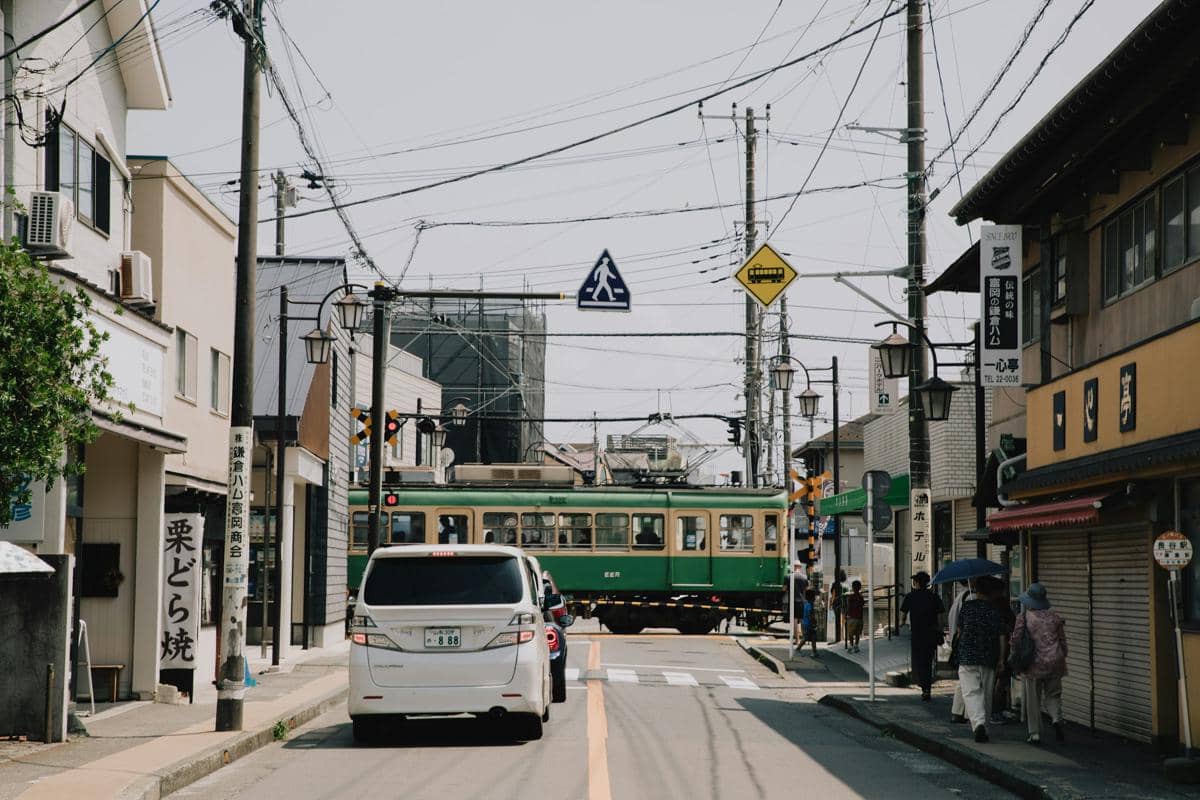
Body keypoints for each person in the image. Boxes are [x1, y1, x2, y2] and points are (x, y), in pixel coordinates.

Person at [1009, 583, 1068, 745]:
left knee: (1033, 699)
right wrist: (1063, 655)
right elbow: (1062, 641)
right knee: (1053, 695)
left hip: (1034, 663)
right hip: (1055, 661)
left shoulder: (1024, 617)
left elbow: (1016, 640)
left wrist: (1014, 655)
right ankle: (1056, 719)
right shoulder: (1054, 617)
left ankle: (1034, 733)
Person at [956, 576, 1007, 743]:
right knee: (986, 693)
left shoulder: (967, 607)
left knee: (970, 692)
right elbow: (1001, 635)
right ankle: (983, 725)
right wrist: (1001, 659)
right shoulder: (994, 610)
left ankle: (978, 724)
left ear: (976, 591)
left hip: (967, 655)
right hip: (988, 656)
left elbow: (960, 631)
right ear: (991, 592)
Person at [900, 571, 944, 701]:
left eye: (915, 581)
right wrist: (940, 629)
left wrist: (903, 623)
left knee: (919, 661)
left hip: (917, 634)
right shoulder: (934, 597)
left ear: (917, 582)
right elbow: (941, 615)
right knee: (928, 660)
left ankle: (925, 687)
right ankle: (927, 688)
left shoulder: (910, 597)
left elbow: (903, 614)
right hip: (931, 633)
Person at [948, 580, 973, 724]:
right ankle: (967, 714)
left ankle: (958, 711)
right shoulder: (969, 598)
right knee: (971, 682)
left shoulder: (960, 597)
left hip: (959, 643)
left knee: (964, 679)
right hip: (967, 644)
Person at [788, 563, 809, 645]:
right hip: (803, 601)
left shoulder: (789, 577)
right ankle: (804, 639)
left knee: (795, 620)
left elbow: (784, 588)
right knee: (803, 620)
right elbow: (807, 589)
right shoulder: (805, 577)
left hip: (794, 601)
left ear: (793, 567)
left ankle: (797, 640)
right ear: (800, 567)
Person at [845, 580, 865, 653]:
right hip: (859, 618)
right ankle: (856, 646)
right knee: (857, 633)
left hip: (852, 617)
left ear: (853, 588)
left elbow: (848, 607)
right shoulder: (861, 597)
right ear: (860, 588)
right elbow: (862, 605)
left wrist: (846, 614)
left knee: (850, 633)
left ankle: (851, 645)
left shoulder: (851, 597)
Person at [799, 589, 819, 656]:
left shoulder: (806, 604)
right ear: (812, 597)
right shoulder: (810, 605)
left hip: (805, 623)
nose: (815, 598)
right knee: (812, 638)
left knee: (807, 637)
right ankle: (813, 651)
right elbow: (811, 615)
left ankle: (814, 651)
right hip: (810, 624)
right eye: (814, 596)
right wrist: (814, 623)